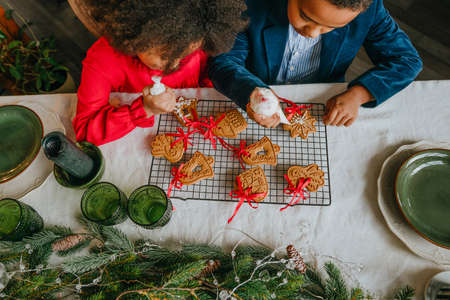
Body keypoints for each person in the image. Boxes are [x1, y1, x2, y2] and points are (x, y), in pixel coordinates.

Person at [209, 0, 422, 128]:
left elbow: (406, 60)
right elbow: (224, 60)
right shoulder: (250, 5)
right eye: (305, 16)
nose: (311, 33)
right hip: (257, 90)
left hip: (323, 98)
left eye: (331, 27)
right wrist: (251, 93)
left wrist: (360, 94)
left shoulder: (370, 10)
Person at [73, 0, 247, 145]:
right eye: (166, 56)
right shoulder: (102, 60)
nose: (176, 64)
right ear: (136, 37)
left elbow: (207, 76)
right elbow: (84, 131)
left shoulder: (197, 34)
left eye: (185, 54)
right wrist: (142, 109)